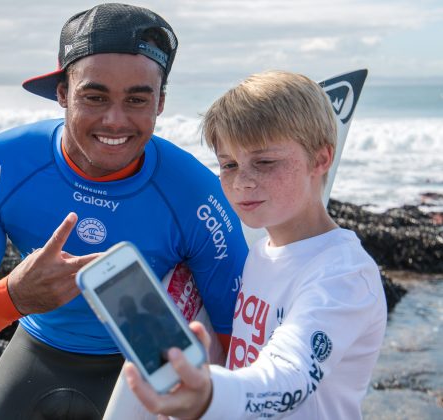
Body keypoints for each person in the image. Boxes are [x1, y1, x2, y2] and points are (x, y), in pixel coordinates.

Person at [0, 3, 248, 419]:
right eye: (94, 97)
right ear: (62, 92)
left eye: (137, 99)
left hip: (143, 378)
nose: (115, 120)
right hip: (34, 355)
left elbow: (239, 342)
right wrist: (14, 296)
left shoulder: (196, 196)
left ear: (161, 102)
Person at [125, 70, 387, 419]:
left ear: (321, 159)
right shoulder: (262, 252)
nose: (242, 182)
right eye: (228, 165)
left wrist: (209, 396)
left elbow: (289, 377)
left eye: (264, 162)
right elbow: (247, 361)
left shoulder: (343, 276)